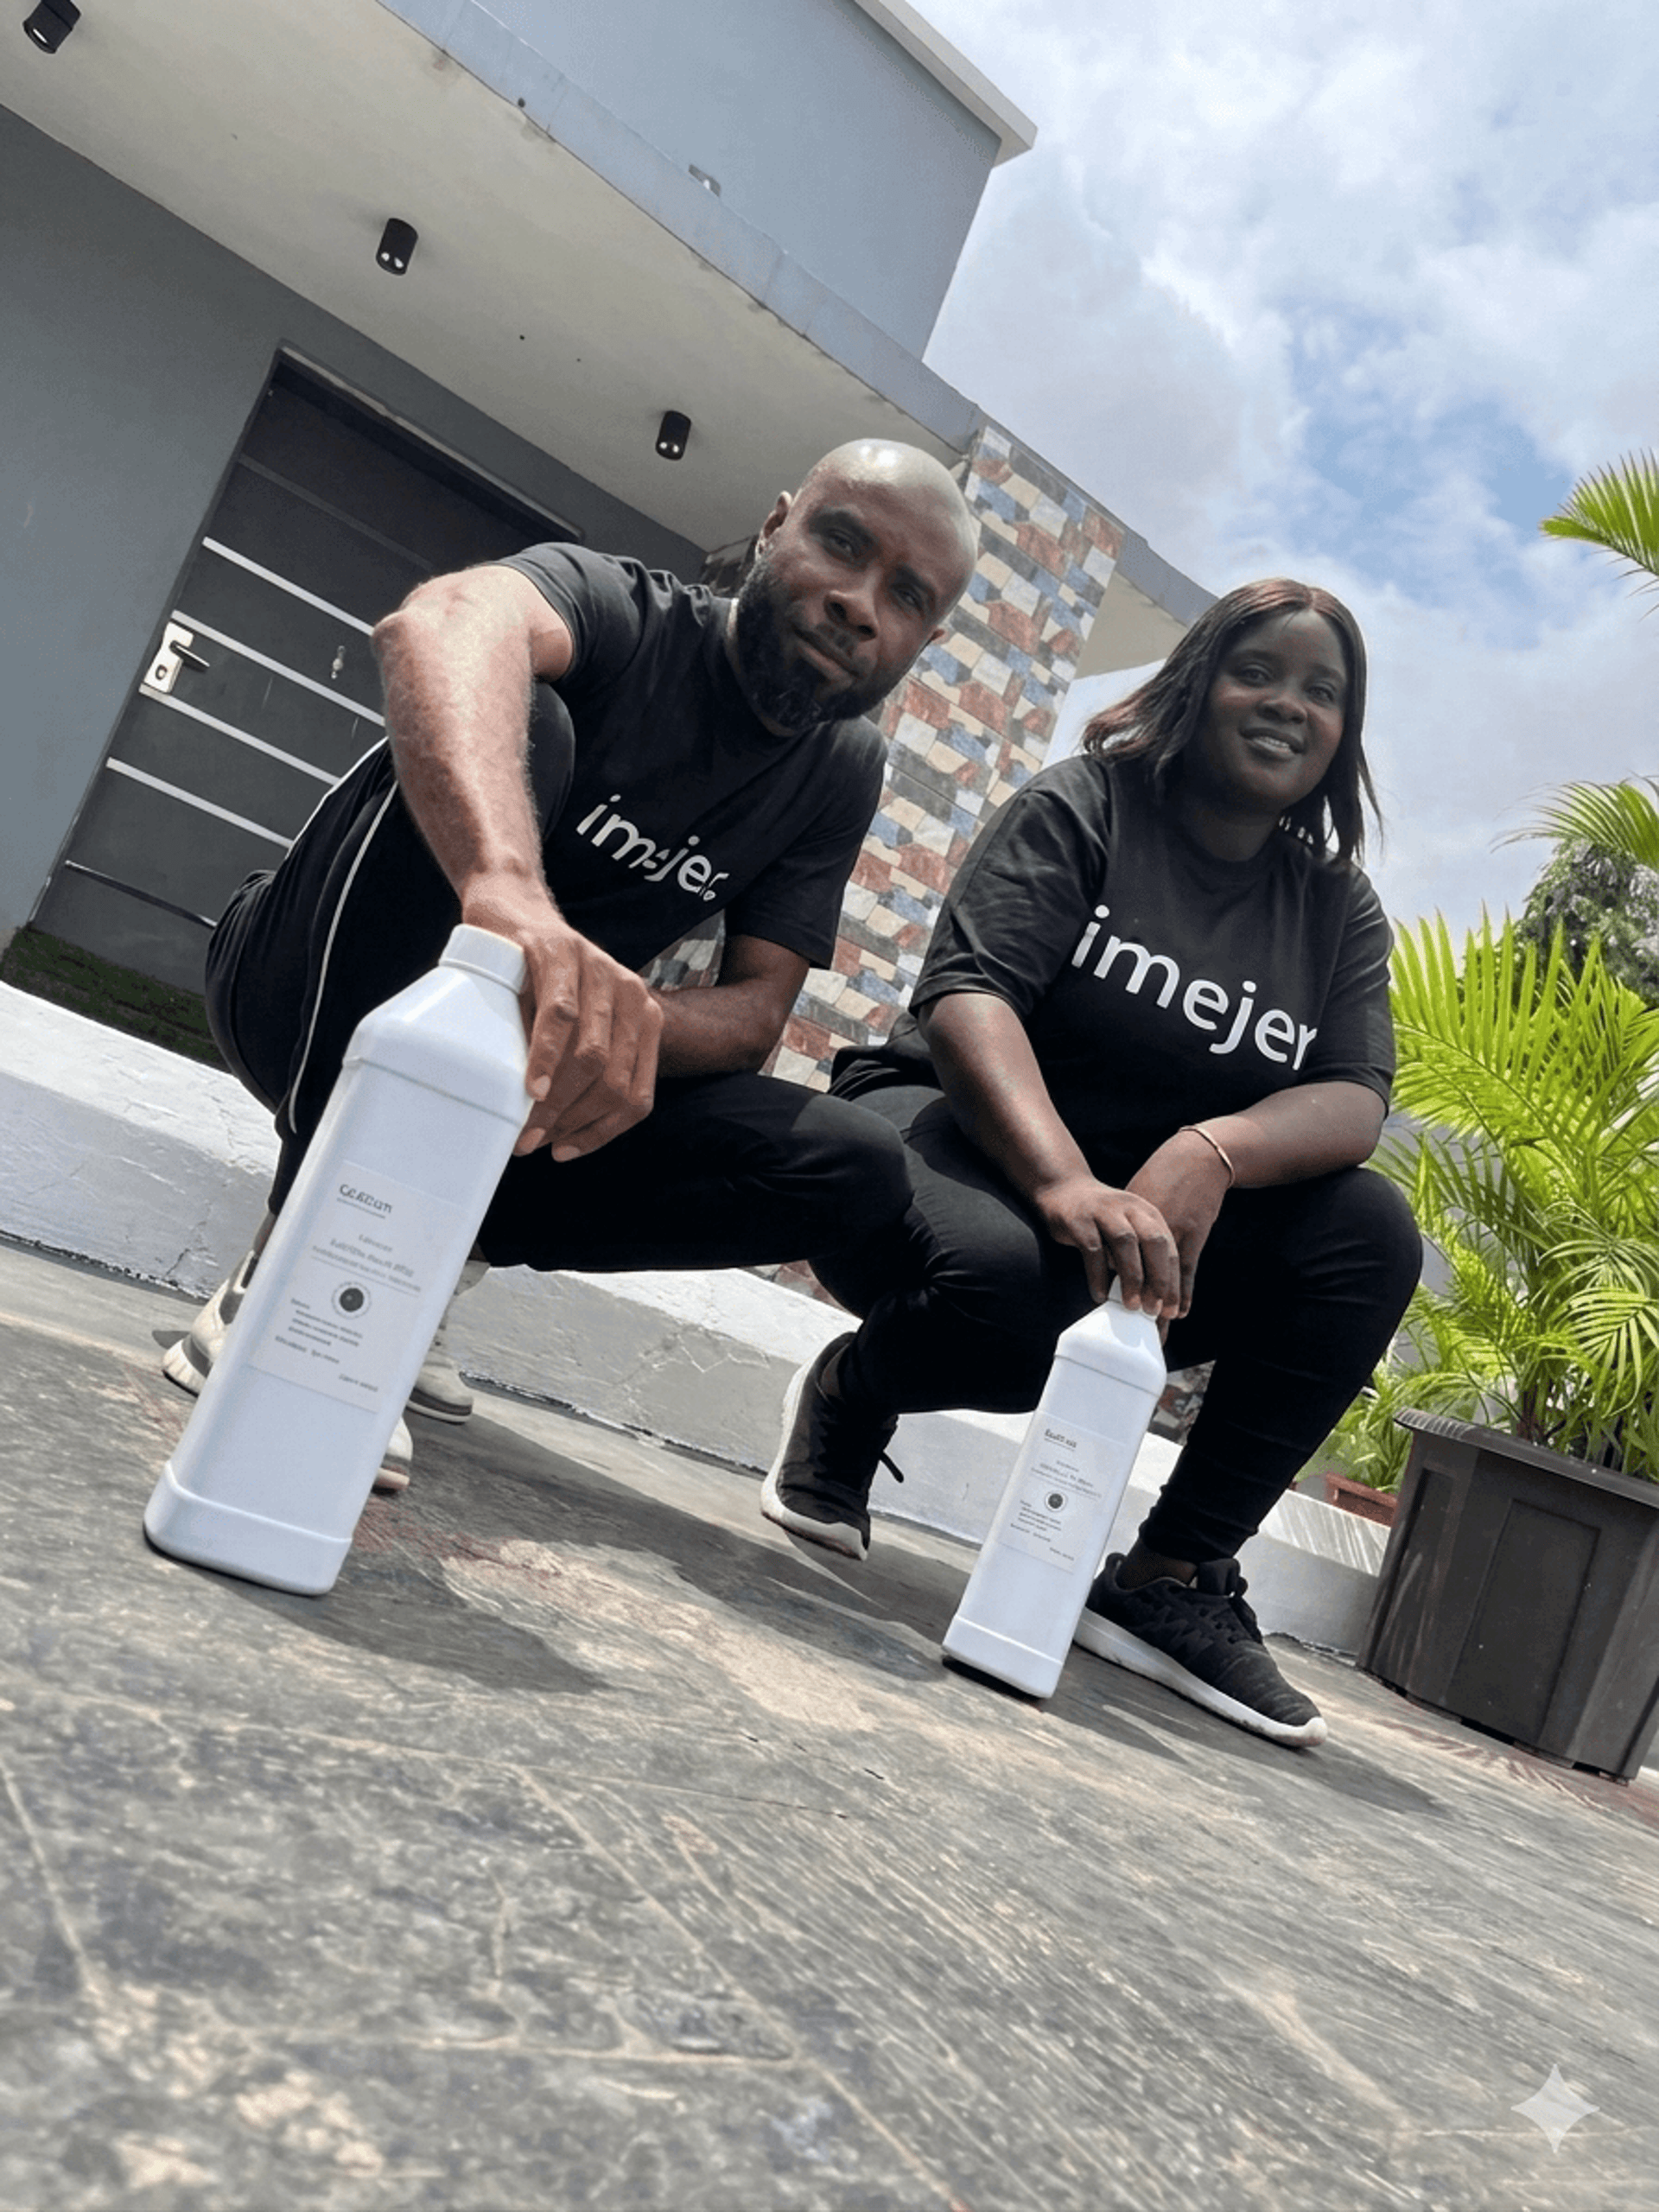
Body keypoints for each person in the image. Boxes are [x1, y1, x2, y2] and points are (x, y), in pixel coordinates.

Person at [162, 441, 981, 1488]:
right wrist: (505, 893)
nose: (859, 603)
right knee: (524, 719)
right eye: (842, 542)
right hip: (310, 994)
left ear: (925, 636)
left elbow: (755, 1014)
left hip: (511, 1085)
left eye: (905, 595)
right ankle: (294, 1266)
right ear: (777, 526)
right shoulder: (623, 612)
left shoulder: (841, 766)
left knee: (853, 1165)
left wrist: (606, 1010)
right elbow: (439, 625)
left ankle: (421, 1269)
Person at [760, 579, 1421, 1749]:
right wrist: (1067, 1181)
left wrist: (1212, 1149)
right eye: (1258, 670)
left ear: (1344, 734)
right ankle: (852, 1393)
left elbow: (1355, 1099)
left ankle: (1170, 1576)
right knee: (1018, 1299)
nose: (1287, 706)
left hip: (1156, 1209)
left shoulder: (1333, 909)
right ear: (1199, 680)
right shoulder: (1087, 804)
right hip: (962, 1139)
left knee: (1368, 1233)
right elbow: (968, 998)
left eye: (1325, 692)